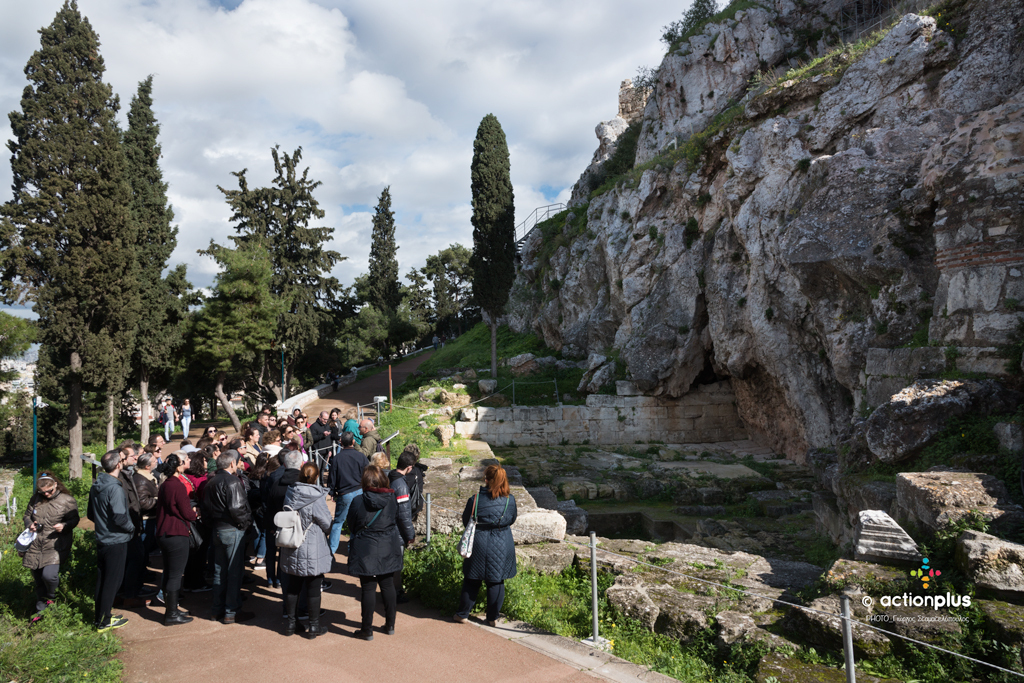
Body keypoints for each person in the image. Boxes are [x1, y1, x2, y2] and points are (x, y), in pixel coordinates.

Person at [453, 465, 518, 627]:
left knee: (472, 579)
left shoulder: (475, 499)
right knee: (496, 580)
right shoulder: (510, 501)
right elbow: (512, 519)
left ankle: (462, 614)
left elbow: (466, 520)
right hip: (502, 541)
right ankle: (493, 618)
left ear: (487, 480)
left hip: (479, 541)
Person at [346, 465, 404, 640]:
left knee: (368, 588)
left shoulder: (358, 501)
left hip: (366, 547)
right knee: (387, 585)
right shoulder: (392, 498)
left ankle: (367, 629)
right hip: (388, 545)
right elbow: (396, 518)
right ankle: (390, 624)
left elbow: (351, 524)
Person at [280, 462, 332, 638]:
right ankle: (314, 626)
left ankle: (291, 624)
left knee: (293, 586)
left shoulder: (291, 492)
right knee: (313, 587)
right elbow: (326, 523)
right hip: (312, 545)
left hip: (292, 543)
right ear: (316, 477)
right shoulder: (316, 497)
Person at [20, 472, 79, 623]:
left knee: (49, 575)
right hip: (35, 543)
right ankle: (41, 612)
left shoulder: (67, 500)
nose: (46, 494)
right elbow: (27, 515)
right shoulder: (36, 499)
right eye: (42, 492)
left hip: (55, 544)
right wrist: (29, 524)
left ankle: (52, 597)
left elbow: (75, 519)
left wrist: (65, 525)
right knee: (39, 579)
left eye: (49, 491)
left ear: (55, 485)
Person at [203, 450, 254, 624]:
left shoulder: (210, 481)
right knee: (233, 572)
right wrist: (245, 525)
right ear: (232, 464)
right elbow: (237, 508)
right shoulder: (232, 481)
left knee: (219, 570)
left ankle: (216, 609)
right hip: (231, 529)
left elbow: (206, 508)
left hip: (217, 529)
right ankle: (231, 611)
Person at [87, 449, 134, 632]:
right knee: (112, 582)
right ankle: (104, 621)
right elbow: (120, 518)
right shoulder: (114, 488)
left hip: (102, 539)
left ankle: (100, 617)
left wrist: (102, 525)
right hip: (116, 541)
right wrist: (132, 528)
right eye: (122, 460)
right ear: (117, 465)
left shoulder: (96, 485)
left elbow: (91, 514)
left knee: (103, 580)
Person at [156, 452, 197, 625]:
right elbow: (186, 512)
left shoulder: (165, 484)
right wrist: (195, 514)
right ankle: (171, 614)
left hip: (164, 532)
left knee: (169, 573)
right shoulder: (177, 485)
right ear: (178, 465)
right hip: (176, 533)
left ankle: (171, 610)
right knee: (175, 575)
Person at [118, 444, 155, 606]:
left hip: (135, 523)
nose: (135, 458)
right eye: (133, 456)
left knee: (139, 557)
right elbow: (140, 503)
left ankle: (134, 589)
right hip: (133, 524)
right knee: (135, 558)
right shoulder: (135, 479)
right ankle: (130, 594)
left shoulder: (130, 475)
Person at [265, 450, 303, 593]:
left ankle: (270, 579)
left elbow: (269, 506)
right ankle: (281, 580)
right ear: (301, 464)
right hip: (296, 526)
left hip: (276, 523)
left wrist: (270, 526)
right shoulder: (303, 482)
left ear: (285, 464)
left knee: (271, 551)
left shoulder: (275, 483)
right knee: (287, 555)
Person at [326, 431, 367, 555]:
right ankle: (354, 551)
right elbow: (367, 475)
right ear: (353, 442)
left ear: (341, 442)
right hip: (359, 491)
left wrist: (332, 491)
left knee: (338, 522)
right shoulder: (361, 457)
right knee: (358, 523)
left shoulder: (337, 458)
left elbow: (332, 476)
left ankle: (331, 552)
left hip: (344, 494)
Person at [386, 450, 417, 603]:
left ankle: (390, 590)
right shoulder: (401, 486)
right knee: (397, 564)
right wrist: (411, 535)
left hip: (387, 528)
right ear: (409, 468)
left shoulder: (389, 477)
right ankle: (396, 593)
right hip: (397, 533)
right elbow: (404, 515)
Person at [134, 452, 160, 567]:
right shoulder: (141, 480)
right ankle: (141, 574)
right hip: (146, 520)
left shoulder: (145, 477)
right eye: (154, 461)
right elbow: (143, 502)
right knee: (143, 548)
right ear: (147, 466)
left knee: (145, 549)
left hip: (150, 518)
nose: (157, 462)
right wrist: (159, 500)